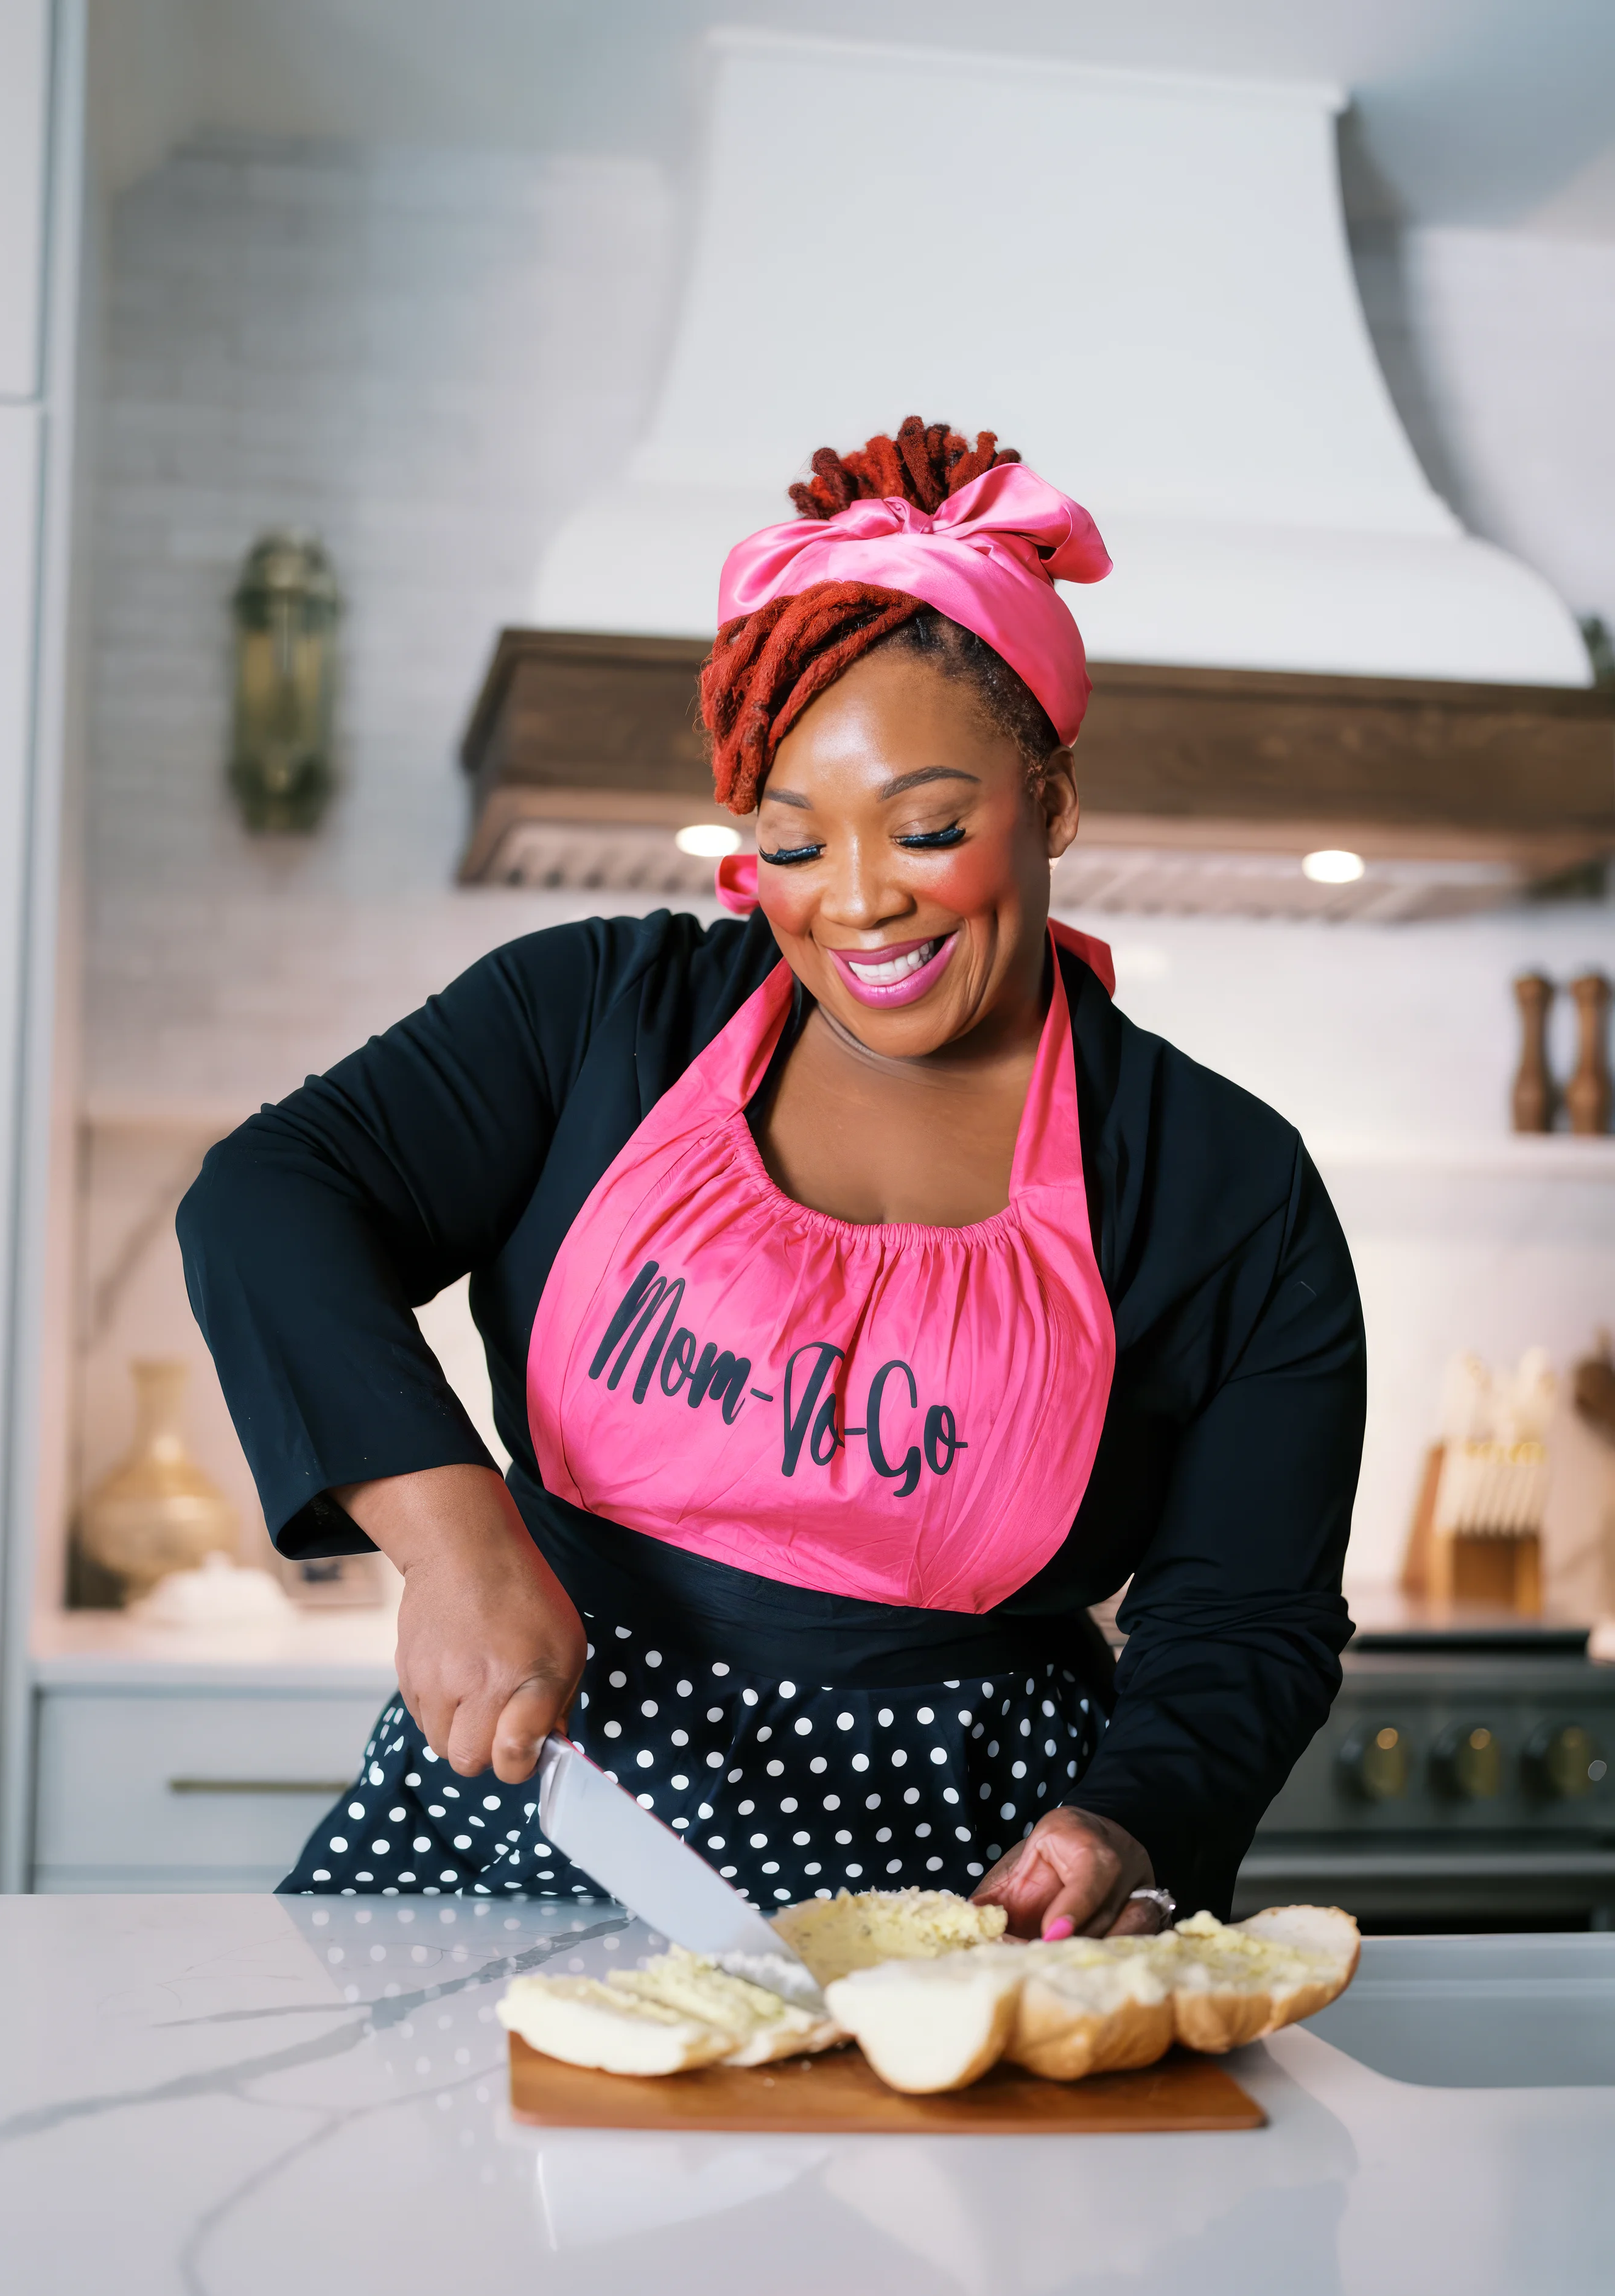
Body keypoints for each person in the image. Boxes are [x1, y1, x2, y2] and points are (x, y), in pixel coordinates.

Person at [178, 415, 1364, 1939]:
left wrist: (1133, 1816)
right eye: (794, 845)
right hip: (540, 1807)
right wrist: (458, 1540)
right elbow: (269, 1195)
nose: (860, 902)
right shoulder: (597, 1017)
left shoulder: (1226, 1183)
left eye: (927, 828)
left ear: (1052, 801)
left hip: (968, 1885)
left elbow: (1248, 1606)